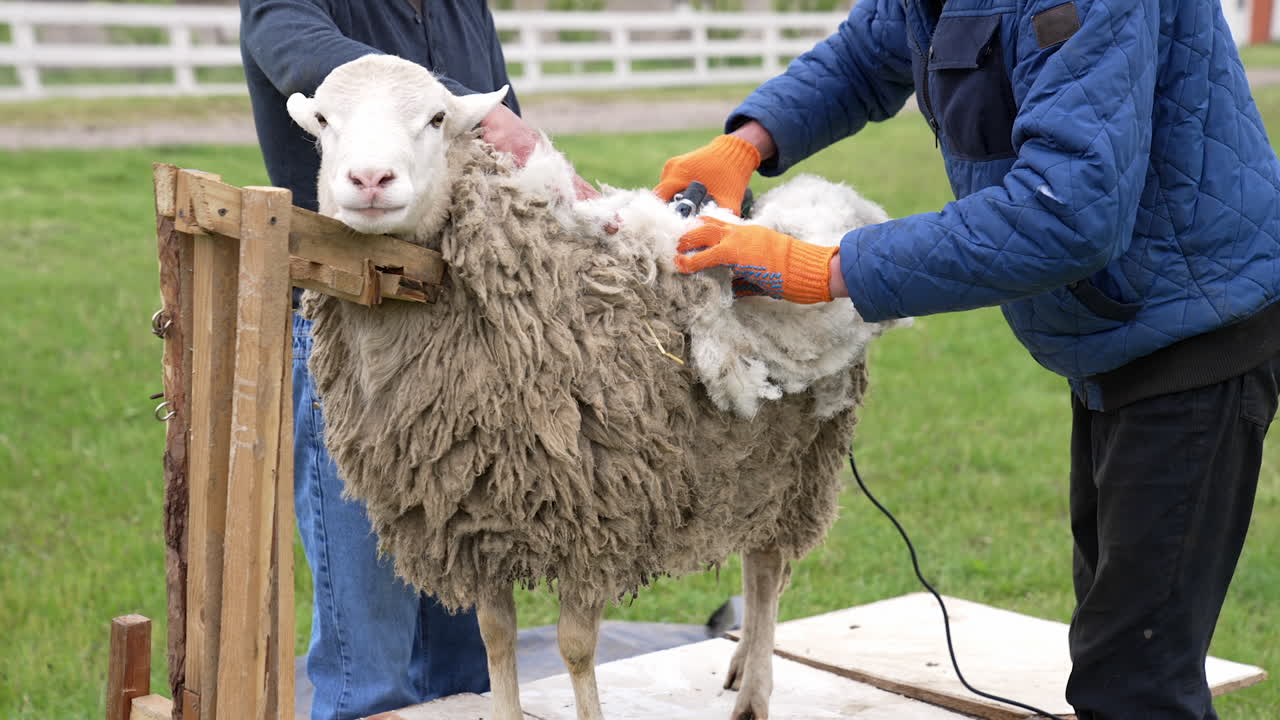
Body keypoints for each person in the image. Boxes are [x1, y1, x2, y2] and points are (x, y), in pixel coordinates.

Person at [657, 0, 1280, 718]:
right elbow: (870, 50)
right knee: (1119, 640)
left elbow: (1066, 209)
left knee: (1136, 679)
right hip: (1122, 330)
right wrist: (747, 142)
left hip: (1193, 330)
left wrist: (827, 268)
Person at [238, 3, 589, 718]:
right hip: (354, 331)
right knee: (367, 635)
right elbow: (293, 45)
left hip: (458, 340)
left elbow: (498, 143)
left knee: (468, 602)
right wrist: (460, 109)